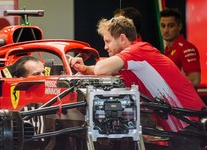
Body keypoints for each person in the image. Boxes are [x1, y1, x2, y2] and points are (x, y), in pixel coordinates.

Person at [68, 16, 205, 149]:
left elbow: (101, 69)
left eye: (108, 41)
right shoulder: (132, 61)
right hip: (182, 126)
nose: (105, 47)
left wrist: (94, 66)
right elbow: (105, 71)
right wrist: (85, 69)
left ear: (122, 38)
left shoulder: (137, 51)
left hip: (189, 123)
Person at [160, 7, 201, 88]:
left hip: (185, 100)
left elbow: (195, 80)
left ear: (180, 27)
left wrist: (166, 85)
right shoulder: (167, 50)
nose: (166, 30)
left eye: (171, 26)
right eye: (163, 26)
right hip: (173, 99)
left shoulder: (186, 48)